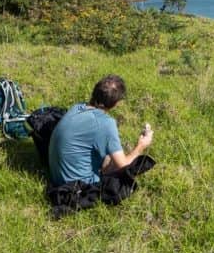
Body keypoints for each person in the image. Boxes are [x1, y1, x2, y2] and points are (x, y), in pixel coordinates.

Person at [47, 75, 154, 212]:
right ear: (116, 103)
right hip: (77, 186)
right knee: (124, 171)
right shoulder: (105, 124)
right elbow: (124, 165)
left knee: (107, 156)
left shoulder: (77, 107)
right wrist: (141, 146)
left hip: (56, 177)